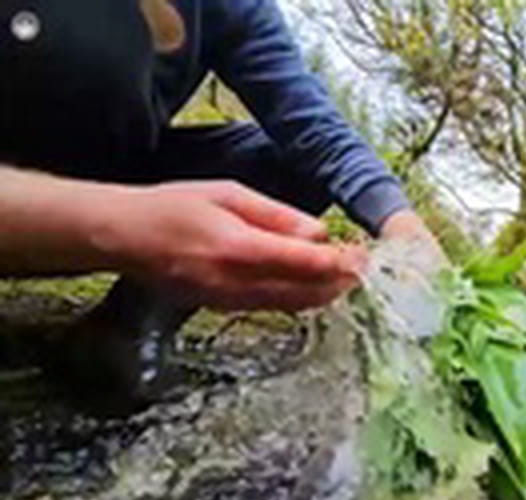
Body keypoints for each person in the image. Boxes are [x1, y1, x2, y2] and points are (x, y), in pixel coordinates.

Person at [0, 0, 445, 414]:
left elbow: (318, 131)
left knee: (297, 164)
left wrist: (402, 226)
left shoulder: (235, 9)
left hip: (110, 175)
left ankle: (125, 330)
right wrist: (114, 224)